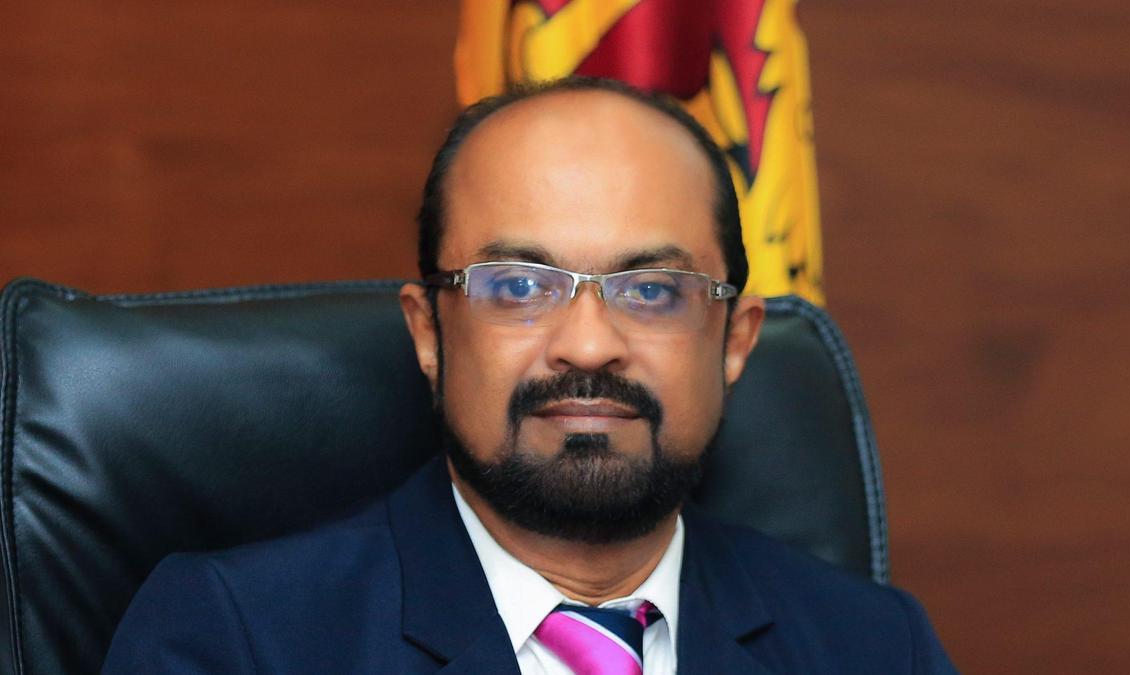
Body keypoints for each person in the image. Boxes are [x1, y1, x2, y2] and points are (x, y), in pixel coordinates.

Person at [103, 77, 957, 674]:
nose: (586, 346)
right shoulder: (237, 639)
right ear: (429, 331)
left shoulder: (879, 647)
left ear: (735, 339)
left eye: (651, 290)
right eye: (518, 286)